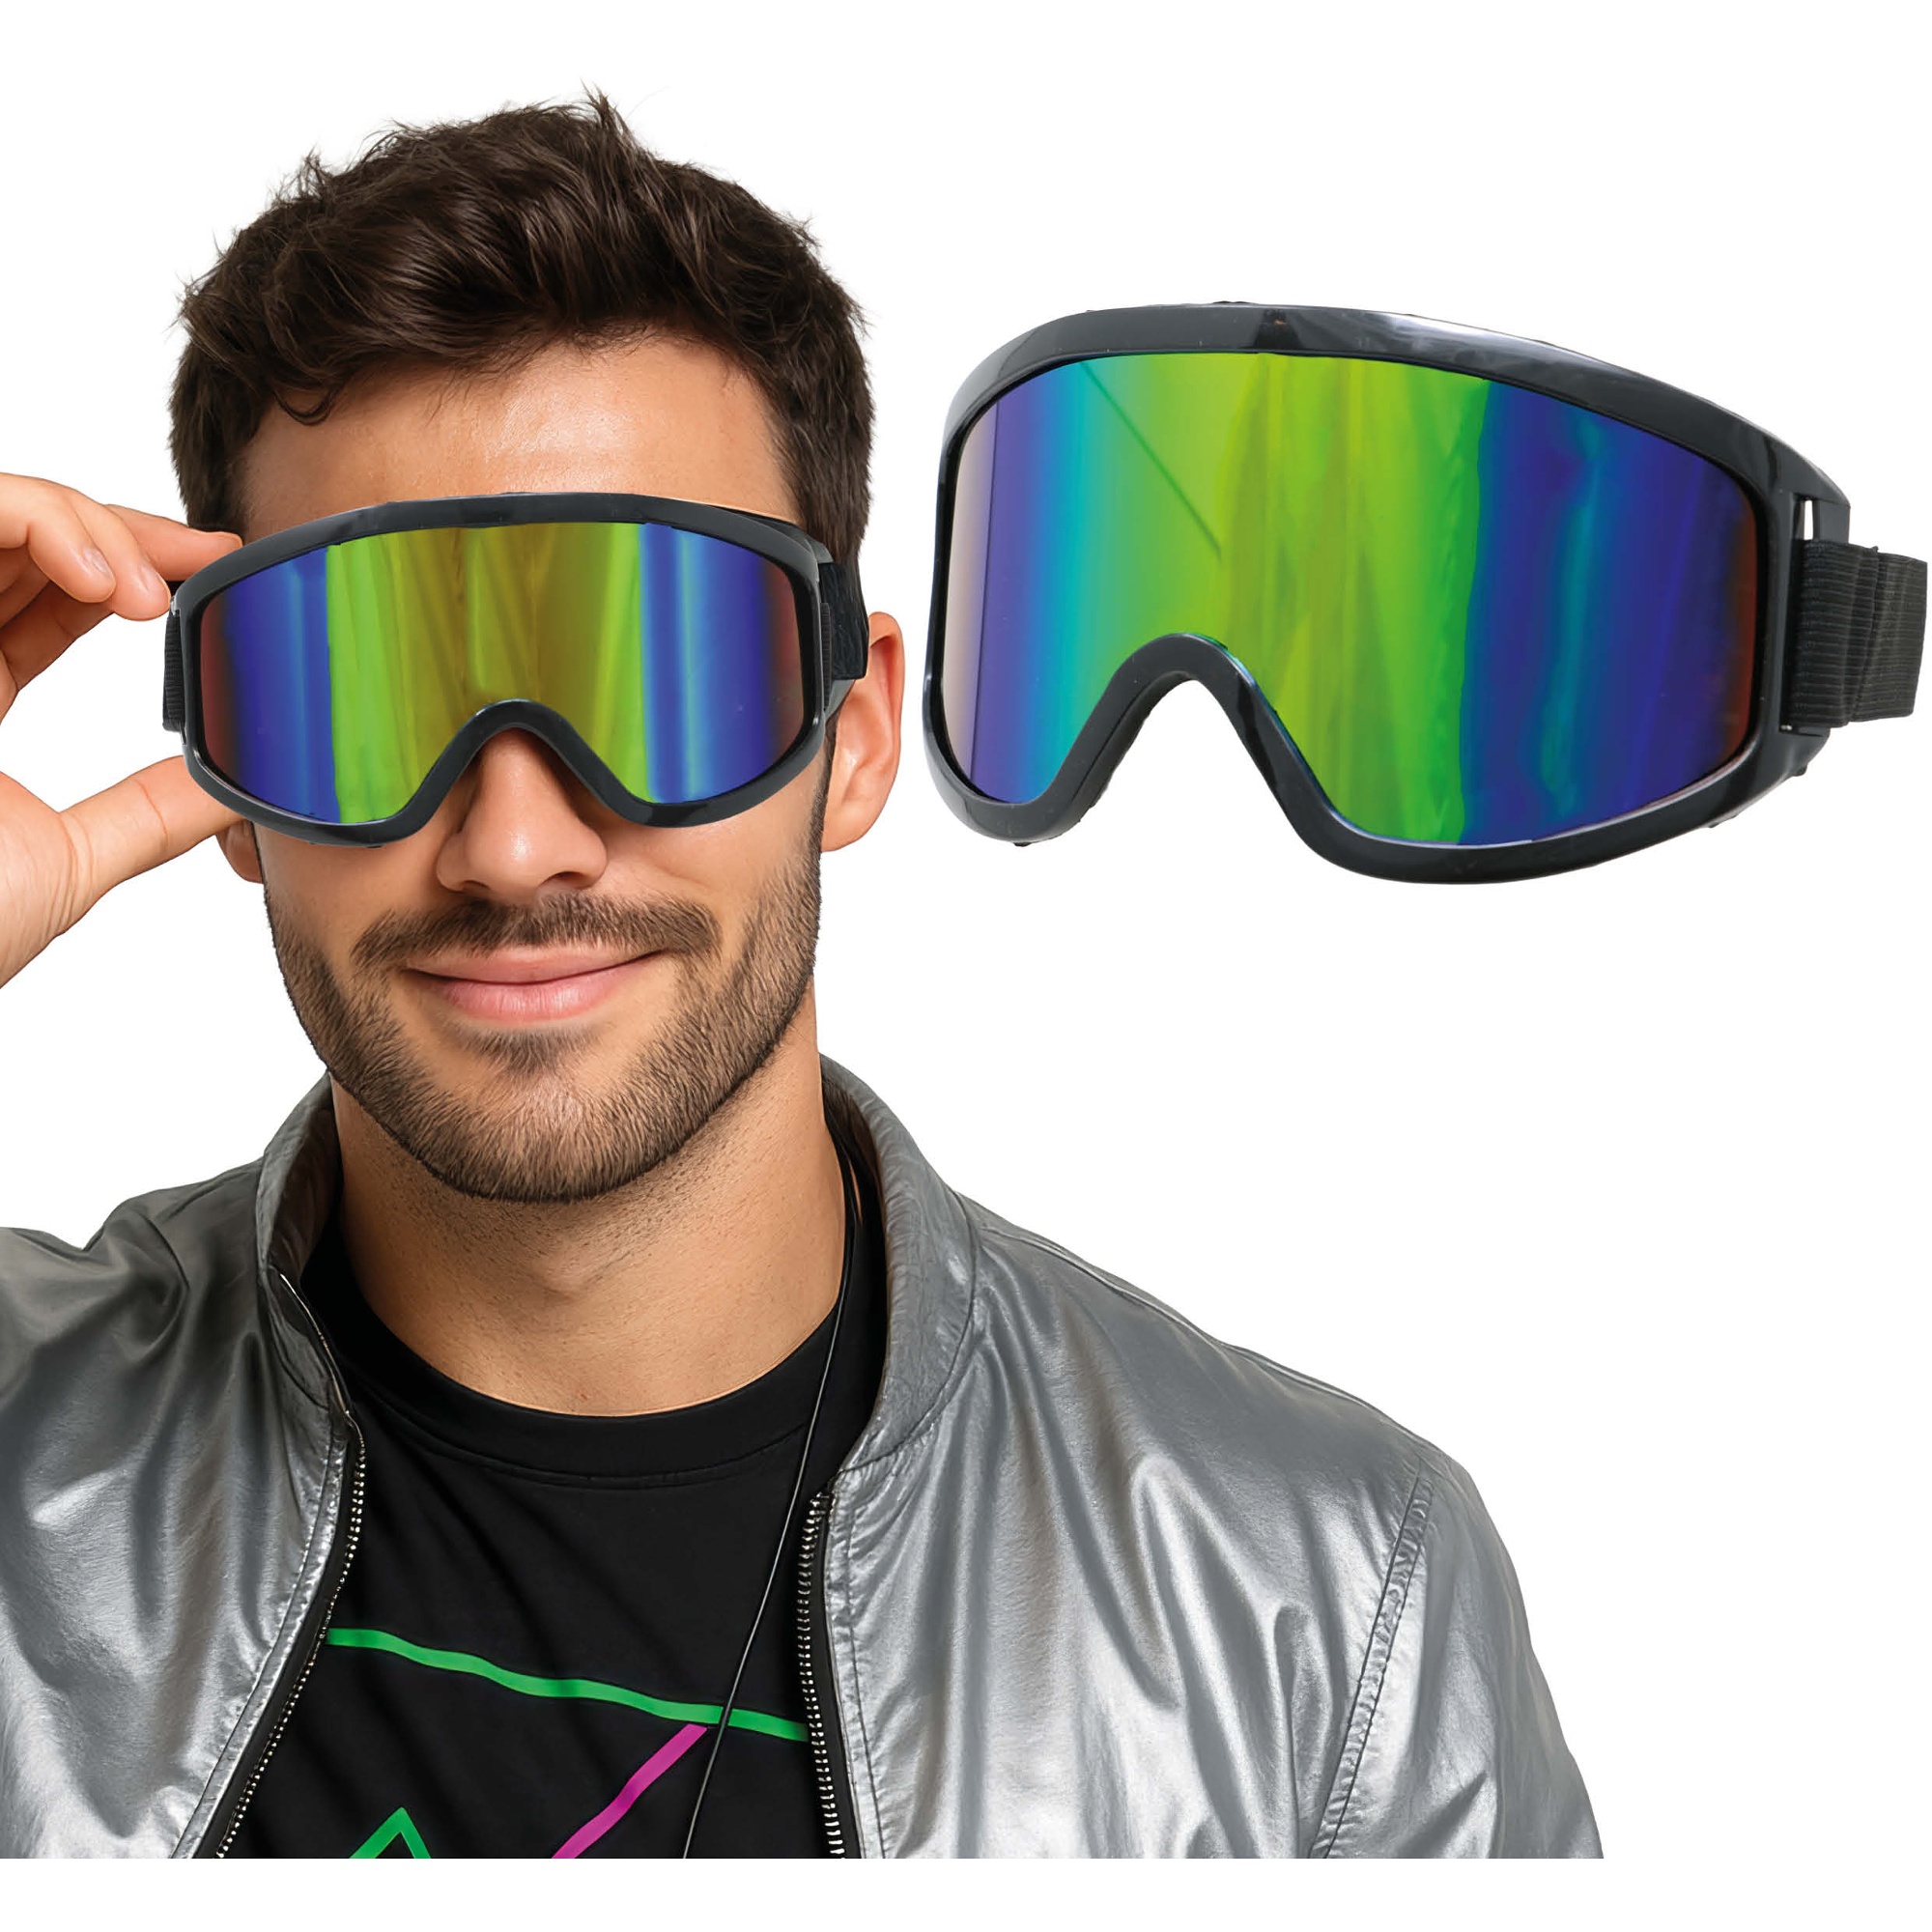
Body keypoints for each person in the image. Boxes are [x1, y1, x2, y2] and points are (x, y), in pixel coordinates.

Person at [0, 92, 1599, 1860]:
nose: (514, 845)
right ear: (231, 773)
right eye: (360, 690)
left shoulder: (1329, 1622)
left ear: (854, 736)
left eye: (653, 672)